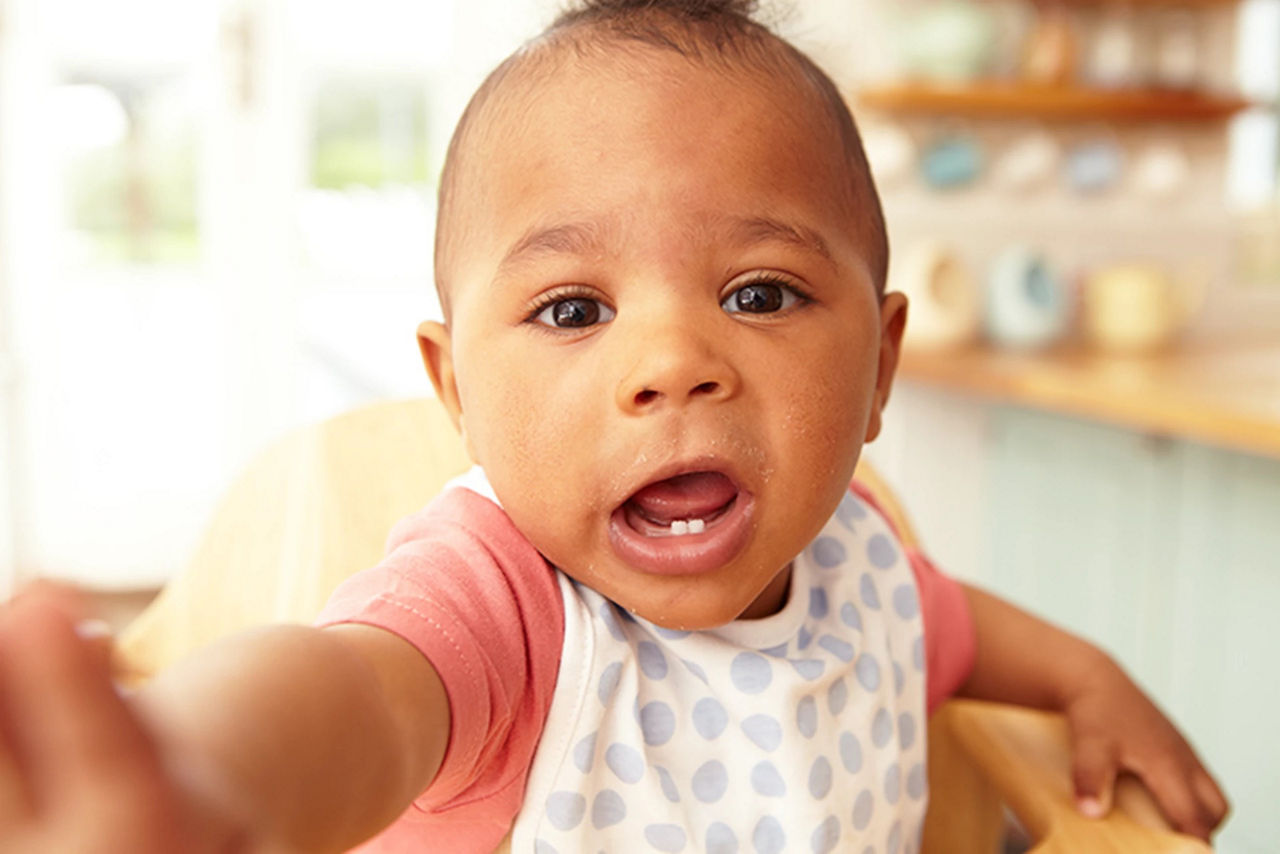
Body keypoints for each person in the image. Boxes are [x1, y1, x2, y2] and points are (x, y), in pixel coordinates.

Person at [0, 1, 1228, 852]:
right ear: (457, 391)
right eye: (573, 307)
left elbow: (951, 630)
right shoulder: (506, 607)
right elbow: (355, 697)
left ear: (878, 369)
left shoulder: (855, 563)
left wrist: (1088, 677)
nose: (672, 363)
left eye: (758, 293)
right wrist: (206, 778)